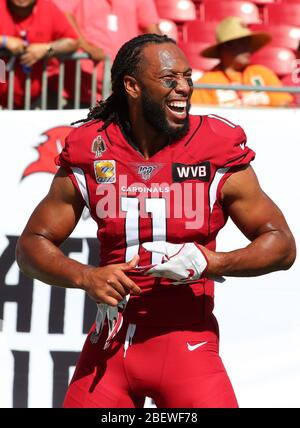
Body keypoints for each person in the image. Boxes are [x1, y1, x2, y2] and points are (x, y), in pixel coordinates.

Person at [16, 34, 296, 408]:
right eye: (168, 79)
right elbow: (31, 243)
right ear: (132, 86)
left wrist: (214, 262)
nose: (183, 87)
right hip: (108, 346)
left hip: (185, 343)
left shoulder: (214, 145)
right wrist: (85, 276)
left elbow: (281, 244)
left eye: (186, 77)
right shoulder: (93, 146)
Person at [51, 0, 161, 106]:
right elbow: (63, 14)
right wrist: (86, 47)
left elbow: (152, 30)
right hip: (79, 93)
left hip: (123, 92)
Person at [191, 17, 293, 107]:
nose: (247, 47)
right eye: (241, 42)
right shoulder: (207, 82)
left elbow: (285, 107)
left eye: (248, 42)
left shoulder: (263, 73)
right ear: (224, 47)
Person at [0, 0, 78, 108]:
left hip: (34, 100)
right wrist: (3, 40)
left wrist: (47, 49)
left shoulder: (47, 7)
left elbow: (72, 42)